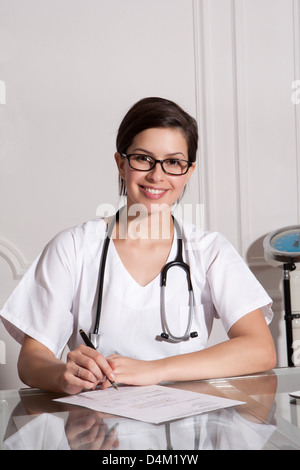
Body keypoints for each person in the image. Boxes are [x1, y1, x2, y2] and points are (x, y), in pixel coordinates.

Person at [0, 97, 276, 394]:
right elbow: (31, 360)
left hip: (185, 431)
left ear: (189, 172)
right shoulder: (73, 247)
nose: (157, 175)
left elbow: (260, 349)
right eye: (143, 158)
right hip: (100, 432)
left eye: (173, 162)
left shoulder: (209, 250)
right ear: (121, 164)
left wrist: (153, 371)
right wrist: (61, 376)